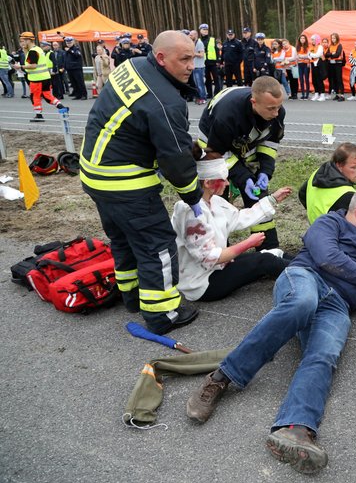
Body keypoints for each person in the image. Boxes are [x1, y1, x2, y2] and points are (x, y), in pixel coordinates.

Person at [185, 187, 356, 475]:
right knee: (301, 304)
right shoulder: (331, 222)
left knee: (324, 353)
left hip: (339, 303)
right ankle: (221, 377)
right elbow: (326, 256)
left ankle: (295, 429)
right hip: (306, 278)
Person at [80, 30, 201, 334]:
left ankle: (131, 296)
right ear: (161, 57)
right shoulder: (165, 102)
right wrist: (195, 196)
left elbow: (141, 126)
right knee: (157, 245)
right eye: (184, 59)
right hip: (125, 183)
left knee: (123, 238)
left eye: (194, 58)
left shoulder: (131, 66)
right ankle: (162, 313)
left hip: (94, 173)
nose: (191, 66)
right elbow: (175, 161)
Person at [171, 157, 291, 302]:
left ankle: (314, 268)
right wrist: (248, 243)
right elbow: (209, 258)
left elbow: (240, 217)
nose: (228, 183)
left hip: (218, 267)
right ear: (208, 183)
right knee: (265, 260)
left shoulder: (215, 201)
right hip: (202, 284)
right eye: (224, 179)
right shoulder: (190, 212)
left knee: (274, 253)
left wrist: (272, 199)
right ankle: (310, 278)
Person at [197, 76, 286, 249]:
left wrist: (264, 172)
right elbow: (219, 154)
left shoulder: (277, 112)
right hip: (213, 149)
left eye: (279, 107)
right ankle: (220, 252)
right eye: (271, 109)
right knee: (216, 200)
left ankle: (268, 248)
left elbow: (270, 144)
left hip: (245, 145)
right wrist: (244, 178)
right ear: (254, 102)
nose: (276, 113)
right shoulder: (227, 115)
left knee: (259, 198)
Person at [18, 31, 66, 122]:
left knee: (35, 97)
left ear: (28, 40)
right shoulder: (38, 49)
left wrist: (20, 67)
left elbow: (33, 65)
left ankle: (39, 116)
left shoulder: (33, 51)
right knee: (47, 95)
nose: (21, 43)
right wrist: (24, 50)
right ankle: (61, 106)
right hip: (45, 77)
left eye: (22, 41)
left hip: (36, 79)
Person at [198, 23, 222, 98]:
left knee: (216, 78)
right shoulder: (199, 40)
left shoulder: (212, 39)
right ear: (200, 31)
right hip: (204, 63)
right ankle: (209, 94)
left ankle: (217, 93)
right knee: (207, 79)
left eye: (206, 30)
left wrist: (218, 61)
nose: (205, 31)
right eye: (204, 29)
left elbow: (217, 50)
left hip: (213, 62)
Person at [325, 32, 345, 101]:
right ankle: (337, 94)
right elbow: (326, 54)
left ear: (337, 38)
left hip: (338, 64)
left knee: (339, 79)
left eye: (334, 38)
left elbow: (337, 54)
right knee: (334, 79)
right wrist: (331, 54)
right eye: (332, 38)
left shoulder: (339, 45)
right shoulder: (330, 46)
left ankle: (342, 95)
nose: (333, 39)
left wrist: (331, 55)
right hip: (331, 64)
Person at [190, 30, 207, 105]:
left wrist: (194, 54)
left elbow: (201, 54)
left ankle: (203, 98)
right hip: (194, 67)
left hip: (199, 67)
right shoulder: (192, 43)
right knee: (196, 84)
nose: (190, 36)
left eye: (191, 35)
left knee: (200, 84)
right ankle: (199, 97)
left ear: (195, 35)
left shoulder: (199, 43)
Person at [308, 34, 327, 101]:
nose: (312, 41)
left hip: (319, 64)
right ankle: (316, 94)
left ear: (316, 40)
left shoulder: (320, 47)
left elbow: (318, 54)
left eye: (313, 39)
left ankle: (322, 95)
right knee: (314, 80)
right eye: (312, 40)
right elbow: (308, 55)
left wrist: (311, 55)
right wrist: (312, 55)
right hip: (313, 64)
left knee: (319, 80)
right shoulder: (311, 47)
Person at [296, 34, 311, 99]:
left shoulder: (308, 47)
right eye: (301, 38)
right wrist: (303, 56)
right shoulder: (297, 47)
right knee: (301, 79)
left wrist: (301, 56)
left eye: (303, 38)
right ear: (299, 39)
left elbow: (308, 55)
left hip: (306, 64)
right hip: (299, 64)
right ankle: (303, 94)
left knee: (306, 79)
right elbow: (297, 56)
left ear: (305, 40)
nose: (302, 39)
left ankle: (307, 94)